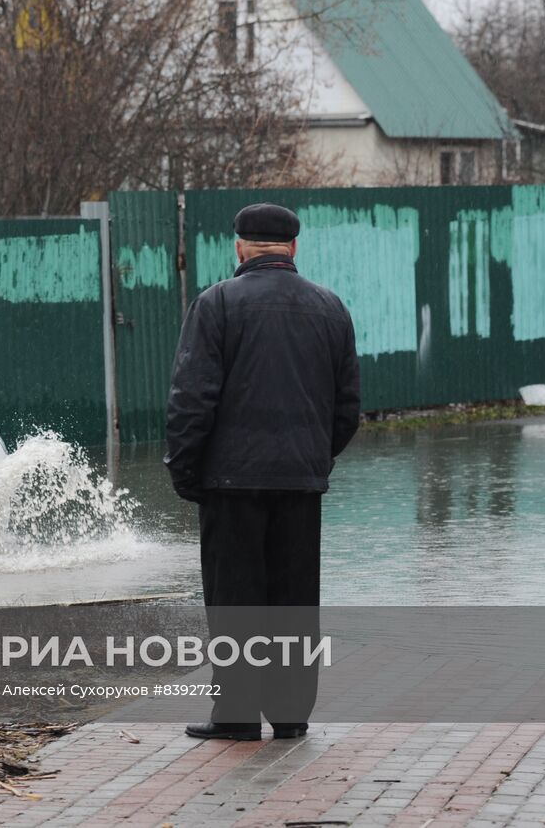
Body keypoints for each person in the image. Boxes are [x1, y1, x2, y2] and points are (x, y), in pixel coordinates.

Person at [165, 202, 360, 741]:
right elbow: (347, 408)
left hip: (230, 484)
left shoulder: (217, 304)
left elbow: (191, 398)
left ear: (239, 248)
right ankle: (291, 715)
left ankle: (236, 717)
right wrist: (314, 459)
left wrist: (186, 470)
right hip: (300, 483)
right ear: (293, 247)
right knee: (294, 602)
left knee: (236, 602)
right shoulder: (330, 308)